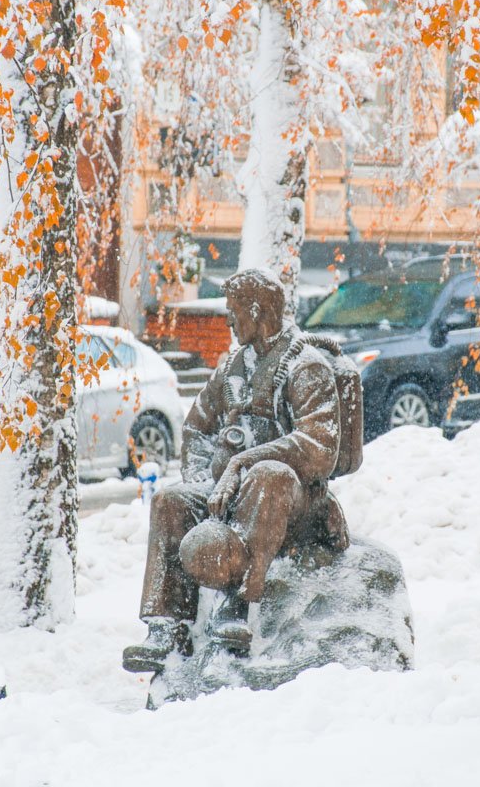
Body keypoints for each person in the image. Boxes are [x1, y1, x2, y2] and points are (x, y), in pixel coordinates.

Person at [123, 268, 349, 673]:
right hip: (232, 490)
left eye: (233, 312)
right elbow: (196, 427)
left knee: (270, 476)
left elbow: (320, 448)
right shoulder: (232, 369)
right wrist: (202, 480)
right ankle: (167, 626)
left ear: (257, 311)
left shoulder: (306, 366)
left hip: (294, 501)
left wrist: (247, 460)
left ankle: (236, 604)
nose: (227, 321)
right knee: (172, 500)